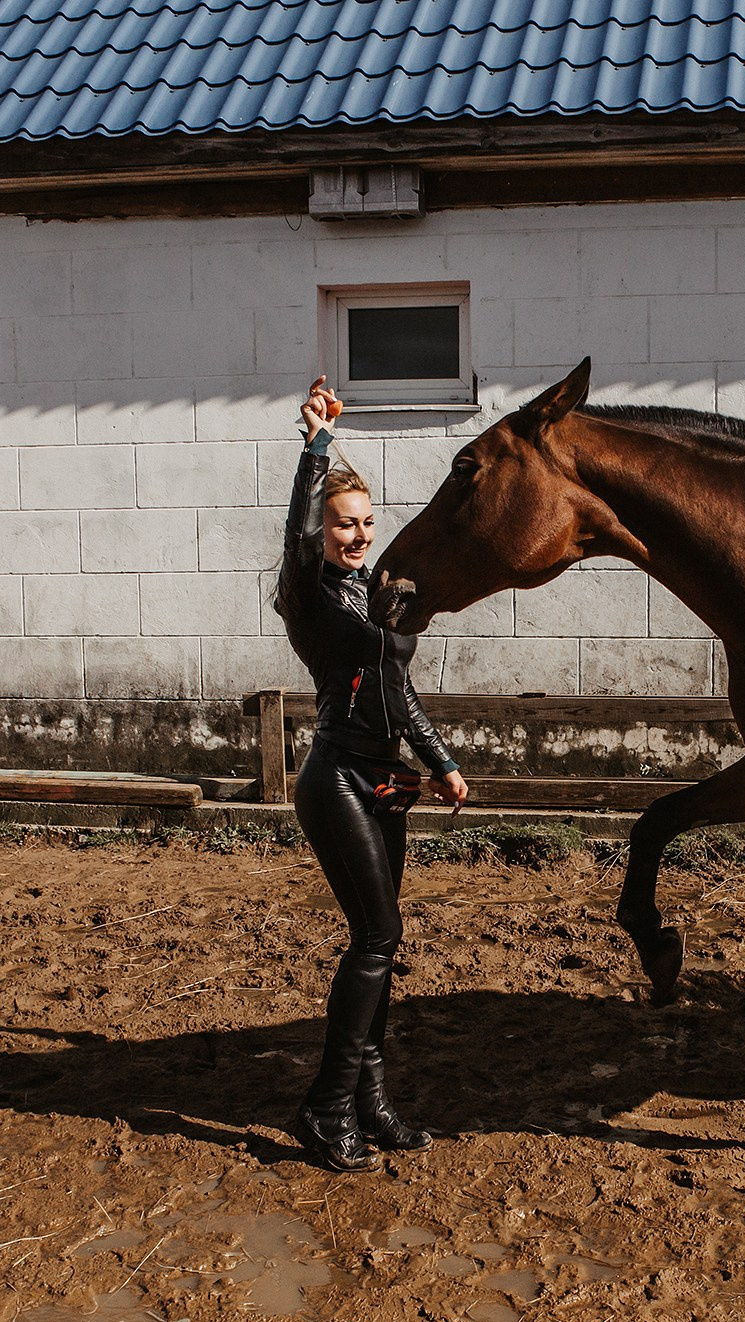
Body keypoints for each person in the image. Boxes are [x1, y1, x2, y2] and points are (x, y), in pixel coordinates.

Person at [274, 377, 469, 1172]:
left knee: (383, 944)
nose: (355, 537)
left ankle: (371, 1102)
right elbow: (292, 535)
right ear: (322, 533)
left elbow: (400, 688)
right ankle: (325, 1107)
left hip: (389, 781)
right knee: (377, 935)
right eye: (341, 526)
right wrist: (315, 451)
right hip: (337, 779)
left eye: (363, 524)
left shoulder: (371, 592)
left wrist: (442, 762)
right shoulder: (310, 594)